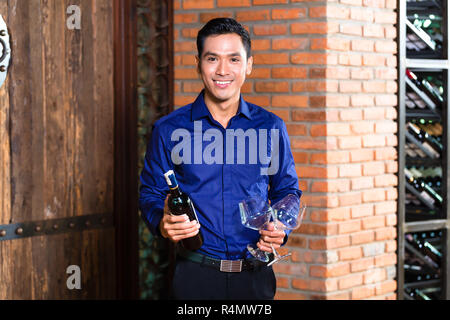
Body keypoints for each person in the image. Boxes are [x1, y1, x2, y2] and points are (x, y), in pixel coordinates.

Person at [139, 18, 302, 300]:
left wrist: (281, 226)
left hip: (256, 277)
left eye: (234, 59)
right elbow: (151, 193)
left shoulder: (271, 127)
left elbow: (288, 191)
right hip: (195, 276)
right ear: (198, 63)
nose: (223, 70)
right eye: (212, 58)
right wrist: (162, 222)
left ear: (248, 65)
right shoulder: (168, 130)